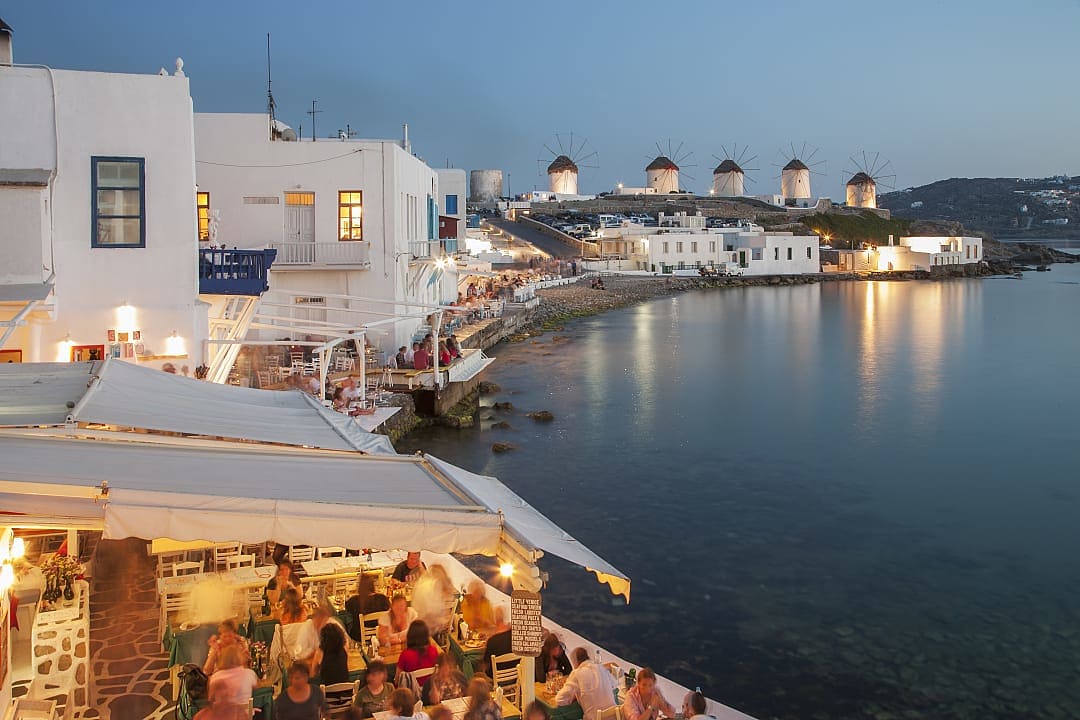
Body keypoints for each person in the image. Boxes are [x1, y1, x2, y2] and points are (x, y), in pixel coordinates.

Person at [554, 647, 617, 720]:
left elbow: (559, 699)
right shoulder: (600, 668)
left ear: (575, 662)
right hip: (615, 716)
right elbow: (614, 684)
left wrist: (573, 697)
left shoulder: (577, 673)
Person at [410, 564, 455, 640]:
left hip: (435, 624)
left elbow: (423, 609)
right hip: (433, 623)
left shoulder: (429, 585)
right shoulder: (432, 586)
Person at [206, 645, 258, 709]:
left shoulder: (215, 677)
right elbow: (256, 687)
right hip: (244, 716)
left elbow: (210, 700)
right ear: (239, 658)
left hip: (221, 716)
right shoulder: (249, 674)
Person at [345, 574, 390, 642]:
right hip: (381, 634)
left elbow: (346, 609)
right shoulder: (382, 599)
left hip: (359, 636)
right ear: (372, 585)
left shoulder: (353, 601)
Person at [397, 620, 438, 685]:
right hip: (430, 689)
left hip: (410, 692)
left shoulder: (405, 655)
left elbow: (398, 680)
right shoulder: (433, 650)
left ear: (410, 635)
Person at [313, 620, 349, 685]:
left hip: (328, 693)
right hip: (346, 692)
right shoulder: (344, 648)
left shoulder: (320, 651)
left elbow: (314, 671)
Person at [479, 607, 511, 677]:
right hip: (515, 675)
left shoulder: (492, 641)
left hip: (496, 677)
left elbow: (485, 663)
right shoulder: (513, 635)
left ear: (495, 620)